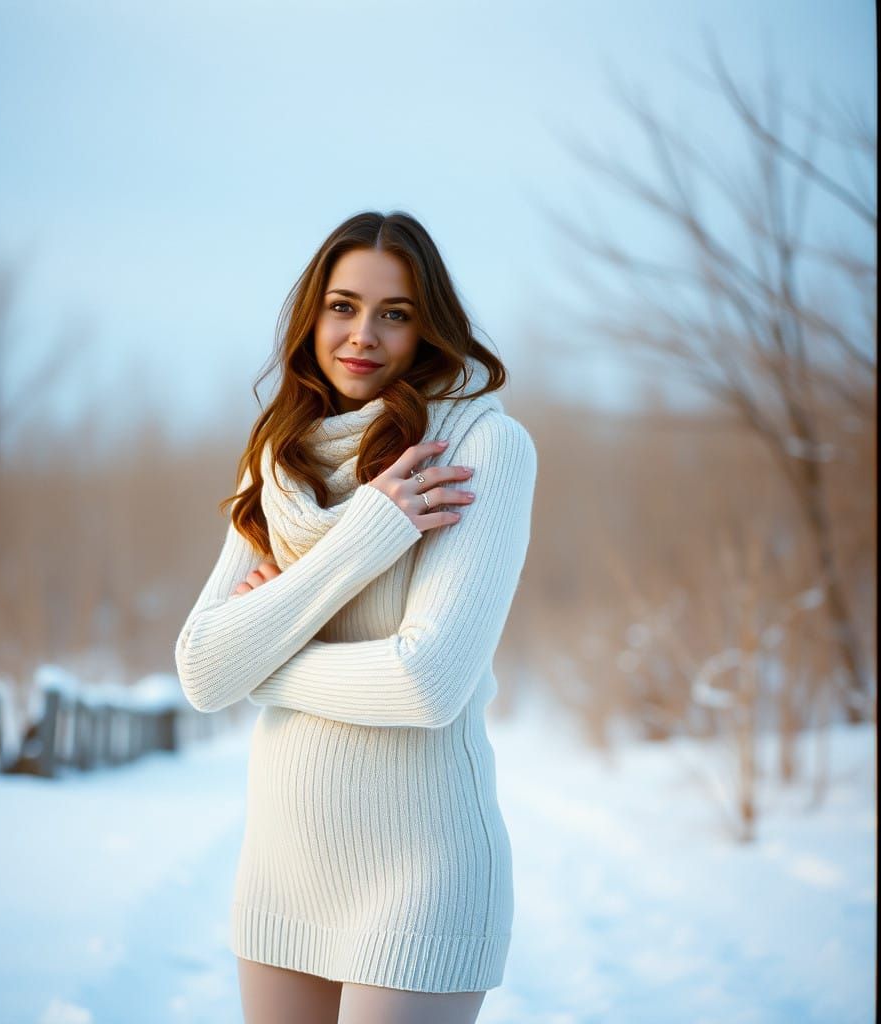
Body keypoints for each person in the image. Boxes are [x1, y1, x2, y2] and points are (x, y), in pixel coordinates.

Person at [175, 210, 536, 1024]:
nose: (362, 334)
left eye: (394, 313)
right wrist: (369, 532)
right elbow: (201, 670)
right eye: (343, 306)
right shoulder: (277, 459)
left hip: (420, 874)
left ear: (428, 326)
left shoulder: (479, 449)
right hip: (282, 871)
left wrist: (263, 658)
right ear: (313, 315)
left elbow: (425, 684)